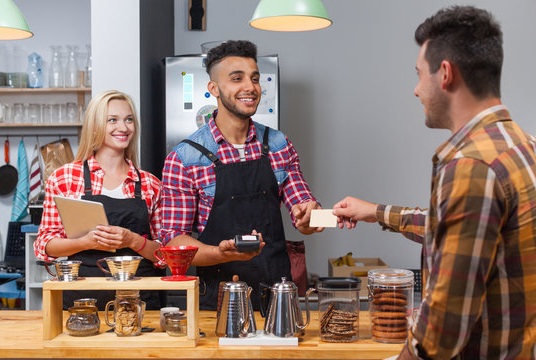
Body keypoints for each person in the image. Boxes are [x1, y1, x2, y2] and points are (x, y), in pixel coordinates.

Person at [333, 6, 536, 360]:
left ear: (445, 74)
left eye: (418, 74)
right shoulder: (521, 144)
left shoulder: (471, 166)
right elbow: (467, 233)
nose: (415, 90)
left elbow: (442, 329)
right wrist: (376, 212)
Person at [160, 40, 323, 310]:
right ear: (214, 88)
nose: (250, 87)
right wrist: (219, 253)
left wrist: (311, 215)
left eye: (255, 78)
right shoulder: (185, 158)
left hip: (278, 298)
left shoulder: (279, 144)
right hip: (219, 298)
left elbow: (303, 213)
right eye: (237, 78)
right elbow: (173, 241)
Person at [35, 90, 165, 309]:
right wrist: (85, 242)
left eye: (129, 120)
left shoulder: (151, 184)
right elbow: (44, 246)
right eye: (112, 120)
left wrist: (132, 240)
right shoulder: (65, 177)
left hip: (140, 300)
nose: (123, 128)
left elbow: (163, 255)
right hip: (83, 300)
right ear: (94, 126)